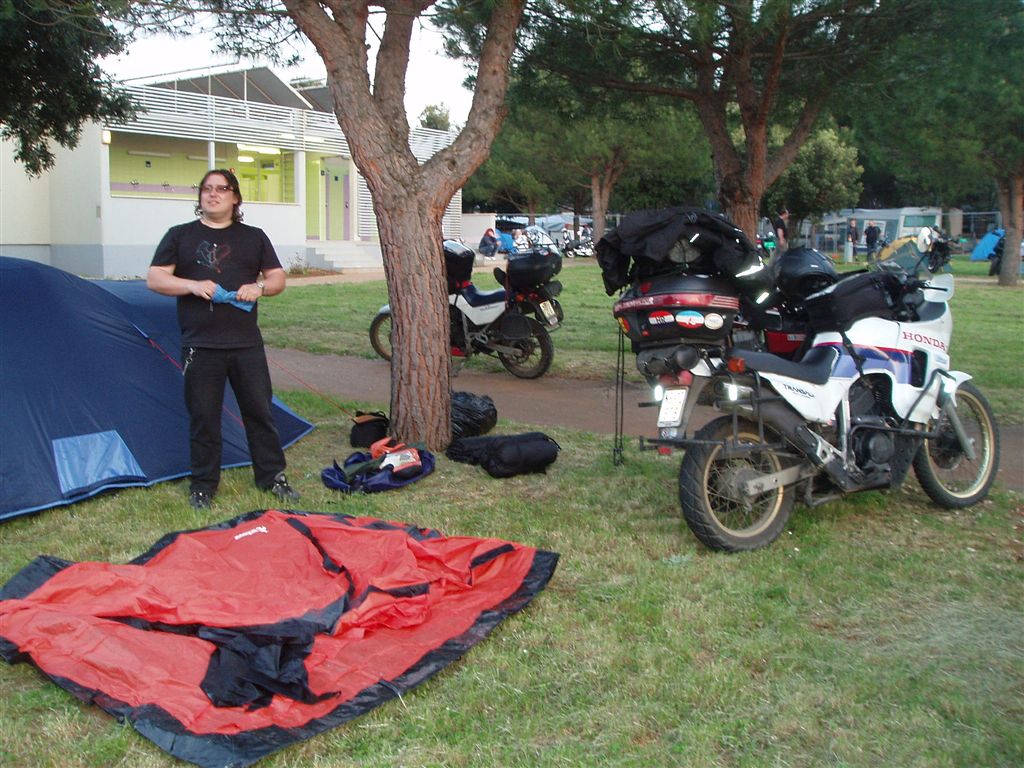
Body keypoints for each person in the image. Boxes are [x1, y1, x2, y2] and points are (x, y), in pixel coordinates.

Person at [147, 169, 300, 510]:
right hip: (200, 345)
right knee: (204, 417)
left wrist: (258, 287)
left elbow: (277, 278)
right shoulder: (179, 235)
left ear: (235, 197)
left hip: (246, 344)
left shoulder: (254, 237)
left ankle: (272, 477)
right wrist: (191, 285)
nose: (212, 194)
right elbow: (155, 278)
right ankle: (203, 485)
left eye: (221, 189)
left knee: (260, 413)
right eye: (206, 189)